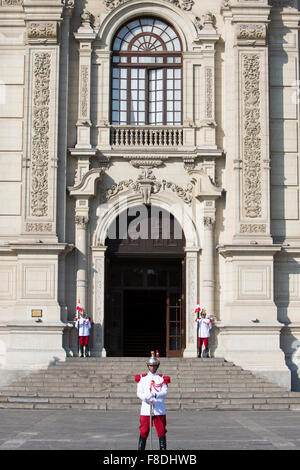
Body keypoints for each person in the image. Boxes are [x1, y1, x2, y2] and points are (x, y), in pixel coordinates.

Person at [135, 351, 170, 450]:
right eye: (151, 366)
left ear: (157, 366)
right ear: (148, 366)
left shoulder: (161, 378)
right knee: (144, 431)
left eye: (154, 366)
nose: (152, 368)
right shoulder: (142, 378)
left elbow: (165, 391)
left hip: (159, 408)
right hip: (146, 408)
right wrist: (146, 399)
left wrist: (155, 395)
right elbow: (139, 393)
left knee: (161, 431)